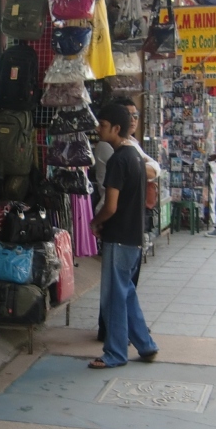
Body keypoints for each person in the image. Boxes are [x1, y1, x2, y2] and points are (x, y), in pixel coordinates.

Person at [89, 103, 157, 369]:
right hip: (133, 236)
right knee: (126, 294)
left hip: (118, 237)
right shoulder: (135, 156)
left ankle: (116, 353)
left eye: (103, 125)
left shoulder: (118, 160)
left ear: (116, 128)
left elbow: (111, 206)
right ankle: (146, 344)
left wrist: (95, 222)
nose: (98, 129)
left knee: (114, 299)